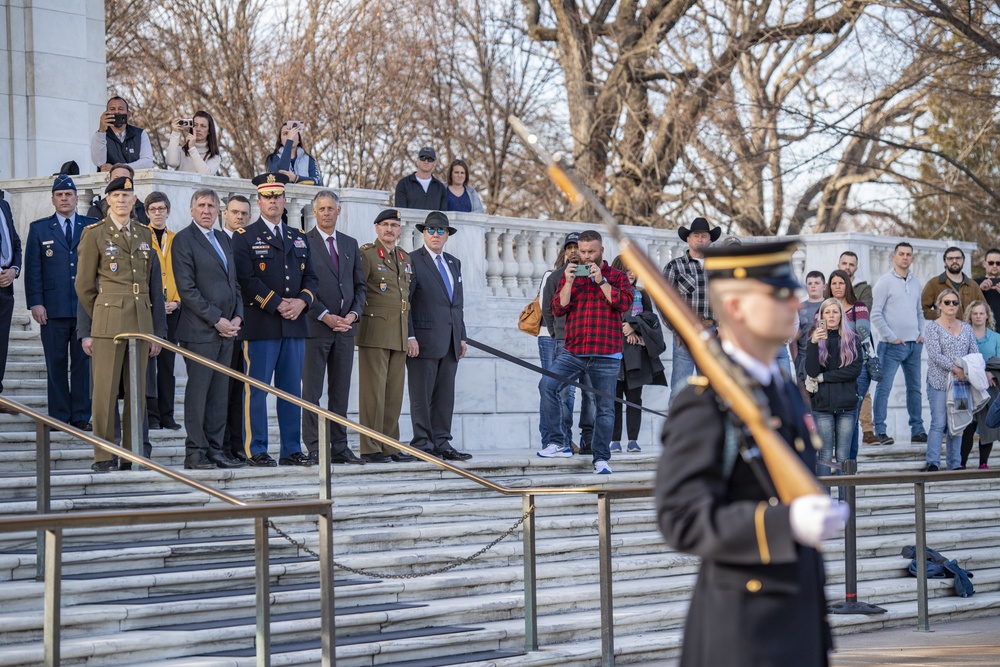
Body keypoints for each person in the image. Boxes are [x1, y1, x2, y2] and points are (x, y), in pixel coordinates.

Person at [656, 239, 848, 667]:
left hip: (797, 623)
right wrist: (784, 522)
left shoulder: (782, 389)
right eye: (779, 292)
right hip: (743, 636)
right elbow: (681, 519)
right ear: (738, 307)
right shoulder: (704, 401)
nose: (798, 299)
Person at [74, 176, 166, 472]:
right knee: (105, 392)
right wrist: (102, 312)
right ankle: (104, 455)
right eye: (117, 196)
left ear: (134, 200)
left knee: (136, 395)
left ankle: (131, 453)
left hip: (140, 320)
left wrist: (153, 330)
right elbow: (84, 286)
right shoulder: (95, 234)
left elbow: (152, 284)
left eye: (127, 196)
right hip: (108, 322)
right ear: (108, 200)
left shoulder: (143, 233)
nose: (123, 200)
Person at [232, 173, 318, 467]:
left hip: (294, 324)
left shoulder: (299, 236)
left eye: (277, 196)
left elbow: (312, 278)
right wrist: (278, 303)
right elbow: (246, 279)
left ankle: (292, 449)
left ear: (284, 200)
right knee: (256, 391)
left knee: (292, 392)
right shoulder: (245, 237)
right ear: (259, 201)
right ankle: (255, 449)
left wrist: (302, 301)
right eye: (267, 197)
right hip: (261, 325)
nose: (273, 202)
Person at [537, 230, 633, 474]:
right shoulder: (570, 275)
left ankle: (601, 458)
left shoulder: (617, 276)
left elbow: (623, 303)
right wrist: (568, 282)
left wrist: (601, 281)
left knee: (604, 408)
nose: (586, 256)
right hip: (575, 349)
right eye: (582, 251)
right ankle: (558, 441)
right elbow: (558, 308)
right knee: (547, 385)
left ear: (602, 250)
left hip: (606, 352)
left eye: (591, 251)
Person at [171, 189, 245, 469]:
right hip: (200, 331)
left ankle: (216, 449)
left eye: (211, 206)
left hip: (228, 331)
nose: (206, 210)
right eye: (201, 205)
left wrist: (238, 317)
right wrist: (217, 319)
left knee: (219, 394)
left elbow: (234, 283)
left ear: (218, 211)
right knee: (199, 394)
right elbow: (187, 290)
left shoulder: (224, 239)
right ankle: (195, 452)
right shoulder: (184, 240)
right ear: (191, 210)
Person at [23, 175, 96, 428]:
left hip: (84, 309)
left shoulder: (92, 226)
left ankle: (80, 416)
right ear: (53, 199)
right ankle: (59, 416)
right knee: (55, 364)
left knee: (82, 366)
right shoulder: (39, 228)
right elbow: (33, 269)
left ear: (76, 198)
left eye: (68, 194)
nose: (64, 198)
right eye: (59, 195)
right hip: (52, 310)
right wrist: (35, 302)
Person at [302, 191, 366, 465]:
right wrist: (324, 314)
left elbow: (360, 287)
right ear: (314, 212)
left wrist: (353, 314)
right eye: (322, 209)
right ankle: (315, 446)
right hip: (316, 327)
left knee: (340, 392)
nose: (327, 213)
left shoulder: (350, 244)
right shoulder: (303, 241)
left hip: (345, 330)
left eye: (331, 208)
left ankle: (339, 446)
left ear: (339, 212)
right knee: (312, 392)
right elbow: (300, 285)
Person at [406, 211, 472, 461]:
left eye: (440, 230)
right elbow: (407, 303)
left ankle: (442, 442)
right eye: (430, 230)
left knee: (445, 396)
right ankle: (423, 443)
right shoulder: (411, 260)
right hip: (422, 341)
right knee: (421, 395)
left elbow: (458, 304)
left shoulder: (454, 262)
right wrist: (410, 336)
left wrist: (462, 336)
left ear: (447, 235)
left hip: (451, 340)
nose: (435, 234)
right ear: (423, 233)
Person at [356, 209, 416, 463]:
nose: (390, 229)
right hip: (375, 330)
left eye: (394, 225)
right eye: (385, 225)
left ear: (400, 229)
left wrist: (410, 335)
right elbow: (359, 291)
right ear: (377, 229)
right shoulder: (367, 254)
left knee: (393, 394)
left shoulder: (404, 257)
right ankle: (370, 447)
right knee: (373, 393)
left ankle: (390, 445)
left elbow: (407, 298)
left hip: (399, 332)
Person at [541, 232, 594, 453]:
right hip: (564, 341)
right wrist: (557, 334)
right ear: (565, 251)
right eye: (570, 247)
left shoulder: (593, 274)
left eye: (577, 247)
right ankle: (561, 439)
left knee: (591, 393)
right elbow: (546, 308)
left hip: (590, 342)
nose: (574, 251)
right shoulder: (555, 277)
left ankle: (589, 439)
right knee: (561, 392)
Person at [870, 242, 927, 446]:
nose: (905, 257)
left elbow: (919, 312)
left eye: (908, 254)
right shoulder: (884, 282)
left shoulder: (915, 282)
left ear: (912, 258)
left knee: (915, 389)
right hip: (891, 346)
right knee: (884, 389)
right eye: (901, 254)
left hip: (914, 345)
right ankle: (880, 430)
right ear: (894, 257)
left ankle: (918, 430)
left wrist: (922, 333)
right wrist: (892, 337)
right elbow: (875, 313)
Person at [609, 255, 666, 454]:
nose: (631, 274)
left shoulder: (642, 294)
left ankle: (633, 439)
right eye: (627, 270)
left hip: (636, 356)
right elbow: (606, 318)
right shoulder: (610, 292)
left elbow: (651, 321)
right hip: (615, 353)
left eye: (634, 270)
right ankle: (614, 440)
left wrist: (634, 328)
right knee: (614, 398)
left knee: (634, 398)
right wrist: (623, 327)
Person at [806, 298, 862, 487]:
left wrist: (824, 378)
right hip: (822, 405)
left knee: (843, 455)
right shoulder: (814, 339)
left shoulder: (853, 339)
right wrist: (813, 343)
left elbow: (853, 370)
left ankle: (845, 504)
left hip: (846, 405)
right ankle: (825, 502)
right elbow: (812, 372)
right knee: (824, 455)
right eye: (827, 312)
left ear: (841, 315)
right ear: (821, 316)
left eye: (835, 312)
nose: (831, 316)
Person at [662, 217, 719, 402]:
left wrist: (723, 329)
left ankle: (711, 430)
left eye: (704, 236)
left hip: (713, 332)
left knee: (713, 388)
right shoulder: (675, 266)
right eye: (696, 235)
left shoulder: (720, 267)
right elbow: (664, 302)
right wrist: (676, 328)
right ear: (688, 239)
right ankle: (676, 431)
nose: (700, 239)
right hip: (685, 332)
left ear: (710, 240)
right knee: (680, 388)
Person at [922, 289, 979, 471]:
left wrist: (966, 371)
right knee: (939, 422)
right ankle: (933, 462)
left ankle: (955, 463)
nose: (951, 306)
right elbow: (935, 354)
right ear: (940, 305)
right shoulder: (932, 327)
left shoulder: (967, 328)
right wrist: (956, 368)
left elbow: (974, 352)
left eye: (955, 302)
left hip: (962, 384)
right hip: (939, 381)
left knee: (959, 423)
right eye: (947, 302)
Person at [824, 269, 872, 460]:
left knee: (851, 419)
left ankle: (849, 467)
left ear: (847, 285)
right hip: (831, 369)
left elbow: (863, 333)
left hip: (857, 368)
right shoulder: (824, 307)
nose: (837, 287)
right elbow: (819, 336)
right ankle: (834, 464)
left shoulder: (858, 307)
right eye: (834, 283)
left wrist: (836, 328)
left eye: (841, 283)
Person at [144, 192, 181, 430]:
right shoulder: (140, 237)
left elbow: (185, 275)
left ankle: (167, 414)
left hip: (174, 309)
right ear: (147, 212)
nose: (158, 213)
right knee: (148, 364)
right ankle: (151, 415)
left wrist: (177, 301)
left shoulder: (177, 239)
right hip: (149, 310)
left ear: (168, 211)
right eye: (153, 209)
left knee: (168, 364)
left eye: (162, 209)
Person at [221, 195, 252, 463]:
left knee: (239, 389)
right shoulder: (216, 240)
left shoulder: (250, 240)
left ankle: (237, 444)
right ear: (225, 214)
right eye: (235, 212)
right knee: (221, 388)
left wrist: (239, 318)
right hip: (217, 325)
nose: (239, 217)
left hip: (243, 325)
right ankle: (219, 443)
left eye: (244, 213)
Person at [961, 300, 1000, 469]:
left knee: (987, 426)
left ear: (987, 316)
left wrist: (990, 373)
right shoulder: (963, 335)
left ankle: (983, 462)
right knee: (967, 425)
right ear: (970, 316)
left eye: (981, 313)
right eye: (975, 313)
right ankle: (961, 462)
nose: (978, 316)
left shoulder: (996, 337)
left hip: (990, 387)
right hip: (967, 387)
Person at [0, 188, 22, 413]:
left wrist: (14, 269)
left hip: (6, 285)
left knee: (1, 343)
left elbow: (15, 242)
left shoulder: (3, 205)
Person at [90, 96, 153, 172]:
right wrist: (102, 130)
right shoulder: (100, 135)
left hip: (135, 182)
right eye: (112, 109)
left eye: (121, 109)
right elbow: (99, 162)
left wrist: (117, 168)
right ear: (106, 114)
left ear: (129, 114)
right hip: (110, 182)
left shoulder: (140, 134)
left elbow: (147, 163)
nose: (117, 112)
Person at [921, 246, 985, 321]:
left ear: (963, 260)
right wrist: (943, 314)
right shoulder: (934, 283)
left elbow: (984, 308)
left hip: (968, 331)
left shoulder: (973, 285)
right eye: (950, 258)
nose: (954, 261)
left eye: (958, 258)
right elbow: (922, 309)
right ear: (945, 261)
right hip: (943, 330)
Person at [791, 270, 825, 383]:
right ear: (806, 287)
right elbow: (794, 335)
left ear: (824, 286)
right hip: (803, 357)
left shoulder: (831, 306)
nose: (813, 286)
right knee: (805, 397)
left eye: (816, 283)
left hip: (825, 357)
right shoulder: (800, 307)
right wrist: (796, 359)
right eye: (810, 284)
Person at [165, 111, 221, 175]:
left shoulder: (214, 157)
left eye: (203, 126)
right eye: (195, 125)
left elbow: (205, 174)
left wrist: (192, 148)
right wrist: (175, 133)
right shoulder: (182, 151)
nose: (198, 129)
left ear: (209, 131)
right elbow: (171, 162)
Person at [265, 122, 321, 186]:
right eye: (285, 133)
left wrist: (296, 178)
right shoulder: (272, 158)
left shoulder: (309, 160)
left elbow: (317, 182)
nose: (290, 136)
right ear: (280, 140)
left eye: (293, 133)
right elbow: (281, 174)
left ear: (299, 139)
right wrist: (289, 141)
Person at [395, 147, 447, 211]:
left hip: (433, 221)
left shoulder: (440, 188)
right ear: (418, 160)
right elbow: (399, 212)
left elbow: (443, 215)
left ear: (434, 163)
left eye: (430, 159)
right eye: (423, 158)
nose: (426, 162)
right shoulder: (404, 184)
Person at [978, 248, 1000, 332]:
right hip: (982, 332)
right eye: (991, 263)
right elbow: (966, 304)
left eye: (998, 263)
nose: (994, 266)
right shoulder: (974, 283)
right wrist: (979, 289)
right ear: (984, 264)